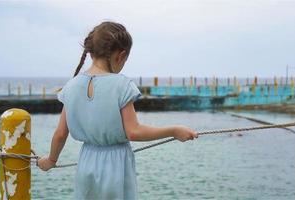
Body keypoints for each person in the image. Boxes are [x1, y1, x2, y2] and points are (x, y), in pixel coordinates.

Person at [37, 21, 198, 200]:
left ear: (90, 53)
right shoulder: (121, 85)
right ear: (120, 56)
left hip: (86, 162)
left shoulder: (71, 86)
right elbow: (134, 132)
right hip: (116, 164)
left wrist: (51, 160)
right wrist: (174, 130)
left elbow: (60, 134)